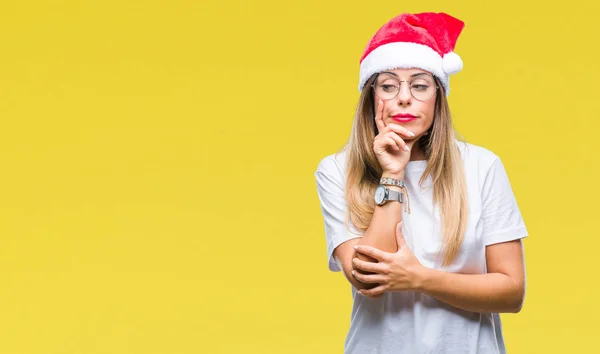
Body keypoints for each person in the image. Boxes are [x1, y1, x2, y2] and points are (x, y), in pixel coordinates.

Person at [314, 12, 528, 354]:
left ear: (437, 98)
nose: (403, 98)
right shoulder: (337, 170)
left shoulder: (481, 166)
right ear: (371, 98)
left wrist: (419, 278)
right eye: (388, 85)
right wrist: (393, 173)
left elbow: (511, 291)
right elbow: (367, 278)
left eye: (419, 85)